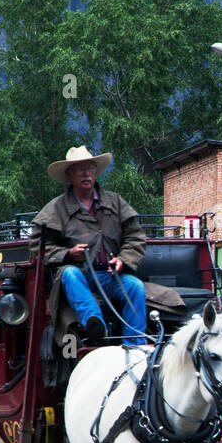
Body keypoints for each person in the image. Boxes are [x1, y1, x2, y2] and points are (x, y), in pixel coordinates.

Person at [30, 146, 148, 346]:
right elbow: (38, 248)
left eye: (90, 168)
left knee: (136, 287)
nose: (86, 173)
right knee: (68, 273)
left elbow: (136, 236)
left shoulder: (115, 202)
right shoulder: (54, 209)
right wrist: (68, 254)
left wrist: (123, 259)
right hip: (79, 276)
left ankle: (134, 345)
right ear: (70, 174)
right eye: (80, 169)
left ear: (96, 172)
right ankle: (95, 325)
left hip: (110, 276)